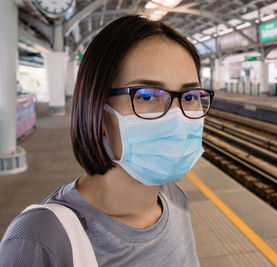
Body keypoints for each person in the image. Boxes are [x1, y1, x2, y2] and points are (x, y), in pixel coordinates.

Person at [0, 15, 214, 266]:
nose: (177, 114)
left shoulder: (174, 200)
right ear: (97, 109)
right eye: (146, 95)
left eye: (189, 96)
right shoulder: (37, 241)